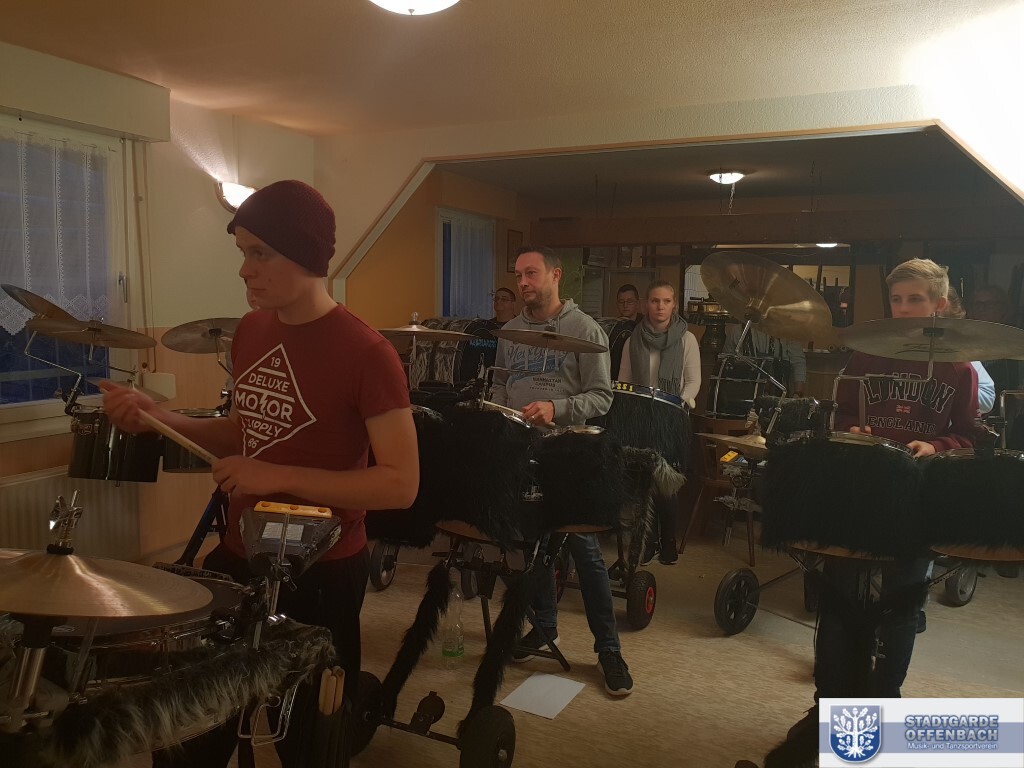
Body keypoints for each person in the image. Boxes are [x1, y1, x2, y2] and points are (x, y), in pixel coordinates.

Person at [101, 180, 419, 767]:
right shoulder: (252, 331)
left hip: (322, 570)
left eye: (260, 253)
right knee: (190, 733)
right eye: (243, 253)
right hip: (241, 553)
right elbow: (245, 433)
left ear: (305, 254)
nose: (245, 270)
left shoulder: (367, 353)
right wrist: (158, 417)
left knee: (309, 746)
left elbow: (400, 483)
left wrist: (276, 476)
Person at [782, 259, 977, 753]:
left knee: (902, 605)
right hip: (862, 489)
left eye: (916, 299)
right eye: (897, 300)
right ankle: (826, 704)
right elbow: (842, 414)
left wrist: (937, 445)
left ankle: (886, 705)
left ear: (939, 304)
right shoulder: (866, 355)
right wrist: (854, 429)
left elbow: (968, 435)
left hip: (918, 495)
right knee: (838, 599)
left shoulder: (959, 367)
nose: (904, 308)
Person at [491, 245, 633, 696]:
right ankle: (545, 626)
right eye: (518, 275)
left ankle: (608, 649)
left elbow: (602, 396)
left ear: (555, 275)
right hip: (521, 449)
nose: (523, 283)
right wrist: (501, 417)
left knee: (586, 554)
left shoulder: (584, 329)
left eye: (531, 273)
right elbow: (499, 383)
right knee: (532, 545)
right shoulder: (510, 330)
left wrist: (557, 407)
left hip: (569, 454)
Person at [618, 280, 700, 564]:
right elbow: (625, 382)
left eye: (666, 301)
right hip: (641, 418)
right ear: (645, 304)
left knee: (668, 482)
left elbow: (693, 382)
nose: (660, 307)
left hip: (672, 419)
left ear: (674, 304)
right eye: (655, 301)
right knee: (645, 480)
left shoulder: (687, 340)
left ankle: (668, 542)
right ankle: (649, 541)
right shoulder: (632, 340)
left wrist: (678, 405)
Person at [722, 322, 807, 396]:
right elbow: (725, 364)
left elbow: (798, 363)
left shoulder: (786, 332)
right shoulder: (738, 331)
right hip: (744, 392)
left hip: (777, 393)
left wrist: (797, 393)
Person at [968, 284, 1022, 400]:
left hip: (1007, 403)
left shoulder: (1016, 340)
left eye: (989, 304)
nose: (982, 308)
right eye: (978, 304)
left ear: (1003, 309)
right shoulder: (963, 339)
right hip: (974, 402)